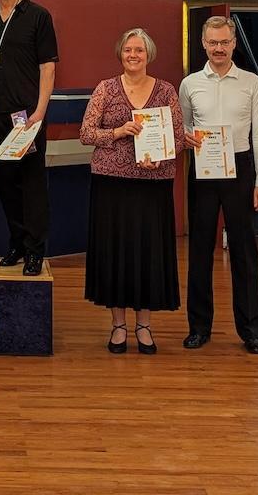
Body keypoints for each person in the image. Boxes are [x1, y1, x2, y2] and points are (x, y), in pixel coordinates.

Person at [80, 28, 184, 354]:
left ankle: (144, 326)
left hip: (153, 184)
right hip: (111, 183)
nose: (133, 55)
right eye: (128, 50)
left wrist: (161, 157)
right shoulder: (106, 89)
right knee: (115, 252)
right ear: (120, 54)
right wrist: (118, 131)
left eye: (139, 50)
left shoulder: (166, 91)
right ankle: (118, 326)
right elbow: (86, 133)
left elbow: (178, 137)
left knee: (148, 253)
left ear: (148, 54)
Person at [180, 15, 258, 354]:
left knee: (245, 250)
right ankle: (199, 327)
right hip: (203, 169)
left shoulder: (252, 83)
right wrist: (186, 137)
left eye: (224, 42)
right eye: (213, 42)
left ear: (233, 44)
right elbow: (183, 127)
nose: (219, 48)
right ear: (204, 44)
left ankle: (252, 331)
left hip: (240, 168)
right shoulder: (189, 84)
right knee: (200, 249)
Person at [0, 0, 58, 276]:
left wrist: (40, 111)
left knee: (31, 184)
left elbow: (48, 68)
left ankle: (35, 250)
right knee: (6, 183)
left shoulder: (38, 16)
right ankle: (16, 243)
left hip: (27, 117)